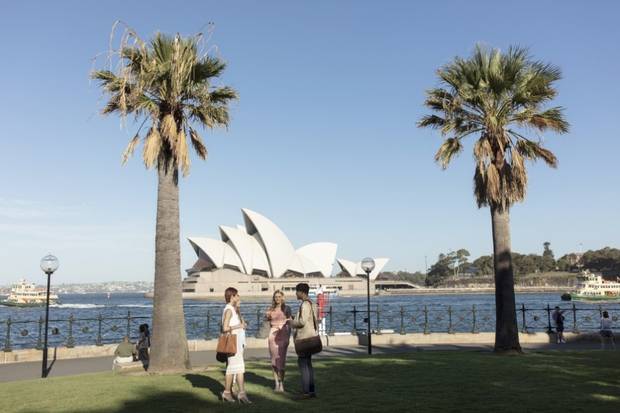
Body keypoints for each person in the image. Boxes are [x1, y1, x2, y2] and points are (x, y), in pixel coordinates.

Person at [287, 283, 318, 399]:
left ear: (301, 292)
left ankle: (305, 392)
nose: (295, 293)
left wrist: (291, 322)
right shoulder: (312, 303)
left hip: (304, 339)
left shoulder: (305, 304)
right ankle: (311, 391)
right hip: (311, 337)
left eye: (296, 291)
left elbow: (302, 322)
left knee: (303, 364)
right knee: (308, 365)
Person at [221, 287, 251, 404]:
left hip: (238, 343)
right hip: (233, 343)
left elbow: (240, 323)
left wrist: (238, 308)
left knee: (238, 368)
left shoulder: (233, 309)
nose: (239, 297)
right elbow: (225, 328)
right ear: (232, 296)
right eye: (237, 295)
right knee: (233, 368)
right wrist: (239, 326)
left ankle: (239, 393)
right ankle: (230, 393)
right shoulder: (228, 310)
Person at [266, 290, 292, 392]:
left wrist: (288, 337)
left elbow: (290, 322)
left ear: (282, 297)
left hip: (283, 334)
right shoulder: (270, 309)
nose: (277, 298)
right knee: (273, 361)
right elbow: (268, 323)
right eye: (275, 297)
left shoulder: (287, 308)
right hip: (272, 336)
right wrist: (267, 316)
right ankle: (276, 383)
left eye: (279, 296)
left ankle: (282, 383)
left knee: (281, 361)